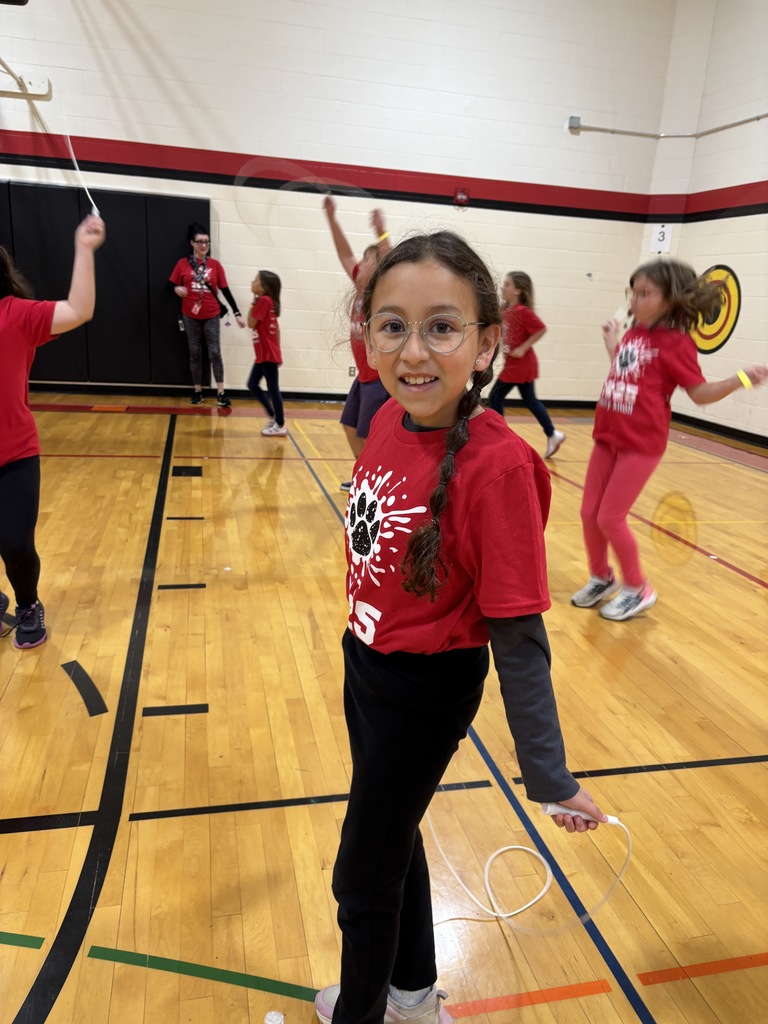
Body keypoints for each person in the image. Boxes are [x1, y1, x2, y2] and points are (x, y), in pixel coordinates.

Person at [315, 232, 606, 1024]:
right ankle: (410, 994)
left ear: (485, 345)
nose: (414, 351)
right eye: (392, 325)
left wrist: (547, 776)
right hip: (365, 665)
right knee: (394, 834)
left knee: (360, 877)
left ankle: (366, 1014)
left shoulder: (500, 467)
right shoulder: (380, 418)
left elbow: (519, 638)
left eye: (441, 327)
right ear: (365, 332)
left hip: (424, 689)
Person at [572, 258, 768, 622]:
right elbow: (628, 367)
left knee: (611, 518)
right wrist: (612, 342)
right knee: (588, 514)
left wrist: (741, 378)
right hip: (607, 436)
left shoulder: (677, 343)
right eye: (634, 292)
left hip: (641, 444)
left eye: (645, 293)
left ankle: (638, 588)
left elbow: (700, 393)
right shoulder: (633, 334)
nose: (635, 300)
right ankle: (601, 576)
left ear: (671, 298)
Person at [0, 213, 106, 650]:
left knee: (14, 544)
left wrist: (84, 248)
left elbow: (79, 310)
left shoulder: (16, 316)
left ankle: (27, 604)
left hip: (14, 454)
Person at [323, 195, 391, 490]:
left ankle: (374, 484)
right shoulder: (360, 288)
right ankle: (365, 477)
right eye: (362, 258)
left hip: (379, 377)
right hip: (362, 377)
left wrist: (381, 233)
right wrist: (332, 219)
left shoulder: (383, 291)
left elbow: (389, 258)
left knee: (368, 435)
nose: (360, 263)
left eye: (368, 259)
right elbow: (344, 254)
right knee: (349, 426)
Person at [487, 271, 565, 458]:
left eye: (507, 284)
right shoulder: (505, 310)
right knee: (530, 400)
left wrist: (523, 347)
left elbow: (541, 329)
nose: (503, 287)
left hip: (521, 365)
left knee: (494, 398)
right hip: (515, 364)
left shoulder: (523, 312)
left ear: (517, 290)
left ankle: (501, 439)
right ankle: (552, 434)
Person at [169, 222, 245, 407]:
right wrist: (176, 288)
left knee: (215, 352)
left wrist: (236, 312)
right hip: (190, 314)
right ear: (192, 243)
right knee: (195, 352)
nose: (204, 246)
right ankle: (197, 391)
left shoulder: (215, 265)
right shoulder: (182, 264)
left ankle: (221, 392)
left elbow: (225, 290)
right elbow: (170, 285)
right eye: (200, 242)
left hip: (211, 313)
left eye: (207, 242)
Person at [247, 270, 287, 436]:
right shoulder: (267, 301)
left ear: (263, 287)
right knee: (252, 384)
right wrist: (278, 352)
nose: (252, 282)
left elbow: (250, 323)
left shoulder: (263, 301)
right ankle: (273, 415)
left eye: (255, 280)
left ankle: (280, 424)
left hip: (267, 355)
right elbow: (276, 329)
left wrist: (251, 305)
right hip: (265, 354)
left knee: (273, 389)